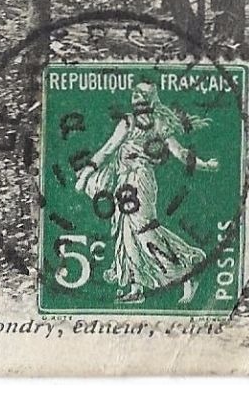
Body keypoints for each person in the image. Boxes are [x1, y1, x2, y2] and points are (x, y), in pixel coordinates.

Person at [75, 79, 218, 303]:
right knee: (126, 232)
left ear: (152, 98)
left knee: (144, 231)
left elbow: (180, 153)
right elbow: (107, 150)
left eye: (143, 93)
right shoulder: (127, 123)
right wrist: (85, 174)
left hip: (140, 182)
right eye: (135, 93)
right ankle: (136, 288)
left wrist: (204, 165)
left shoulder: (159, 124)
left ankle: (187, 271)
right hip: (123, 183)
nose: (138, 97)